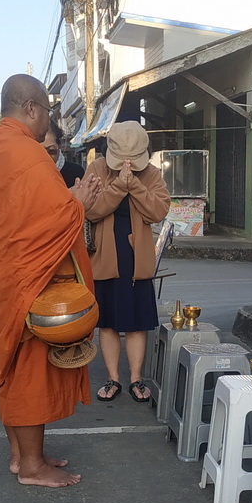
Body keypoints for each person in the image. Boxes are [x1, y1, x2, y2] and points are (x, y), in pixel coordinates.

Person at [0, 74, 102, 488]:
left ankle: (21, 456)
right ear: (31, 108)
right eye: (47, 111)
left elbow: (18, 215)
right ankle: (31, 467)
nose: (49, 120)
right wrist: (78, 204)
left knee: (12, 365)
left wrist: (69, 203)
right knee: (28, 369)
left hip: (5, 267)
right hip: (31, 275)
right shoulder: (25, 152)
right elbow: (49, 220)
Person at [77, 121, 171, 404]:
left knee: (136, 322)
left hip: (136, 258)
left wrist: (136, 186)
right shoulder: (97, 169)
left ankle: (136, 378)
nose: (128, 165)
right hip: (104, 256)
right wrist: (119, 186)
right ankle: (113, 378)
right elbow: (91, 210)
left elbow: (158, 211)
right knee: (107, 322)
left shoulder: (151, 174)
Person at [43, 120, 85, 188]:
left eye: (51, 151)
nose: (46, 157)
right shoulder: (27, 175)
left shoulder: (76, 173)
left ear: (59, 146)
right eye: (39, 152)